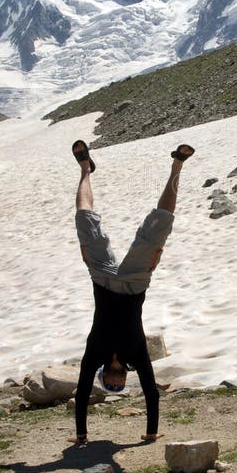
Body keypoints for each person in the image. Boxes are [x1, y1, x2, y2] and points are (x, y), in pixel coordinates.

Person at [69, 139, 194, 446]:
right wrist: (151, 434)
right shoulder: (136, 357)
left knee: (84, 219)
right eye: (117, 387)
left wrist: (82, 437)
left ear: (103, 378)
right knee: (159, 226)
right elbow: (151, 392)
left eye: (108, 386)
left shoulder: (94, 355)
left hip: (101, 279)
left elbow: (82, 392)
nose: (113, 384)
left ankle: (86, 167)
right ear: (124, 379)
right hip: (136, 283)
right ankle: (177, 165)